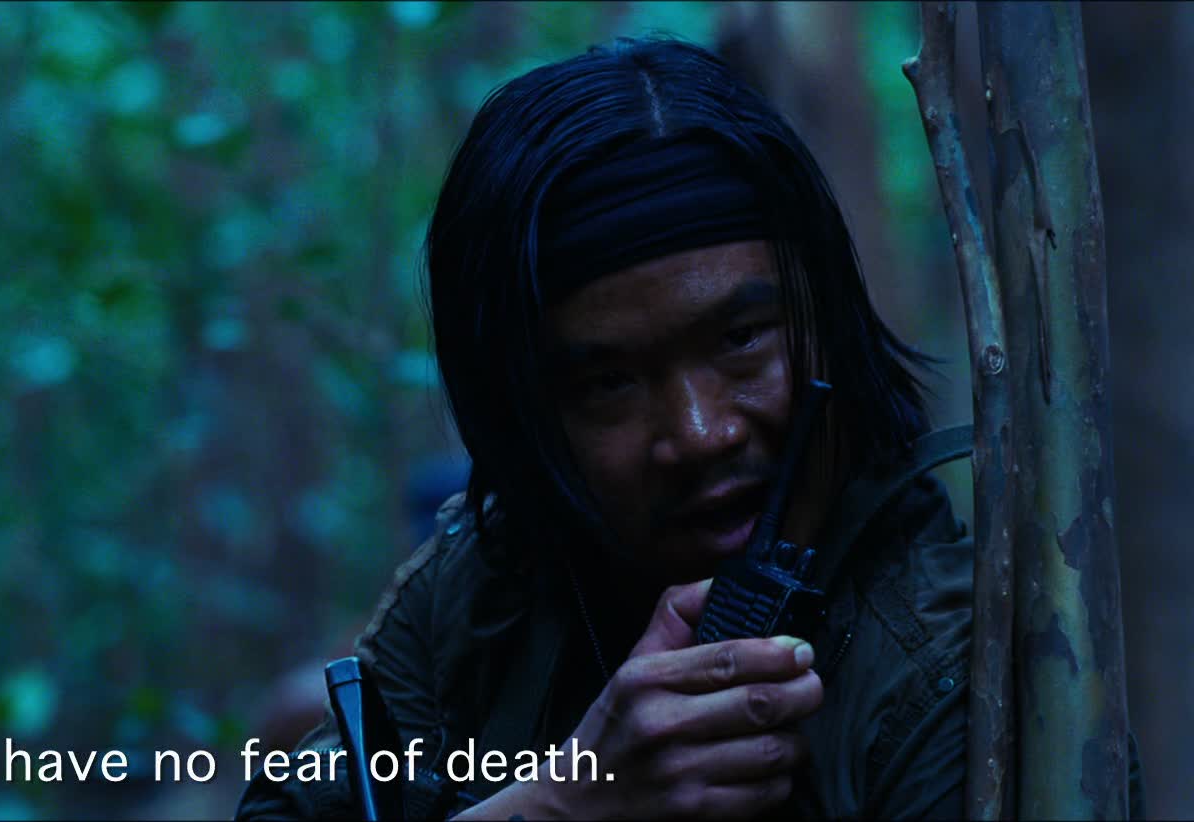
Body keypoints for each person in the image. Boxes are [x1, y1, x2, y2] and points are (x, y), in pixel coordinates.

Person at [235, 37, 1143, 820]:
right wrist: (561, 805)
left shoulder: (954, 676)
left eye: (741, 340)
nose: (701, 433)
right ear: (527, 417)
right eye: (610, 383)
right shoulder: (487, 591)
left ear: (824, 320)